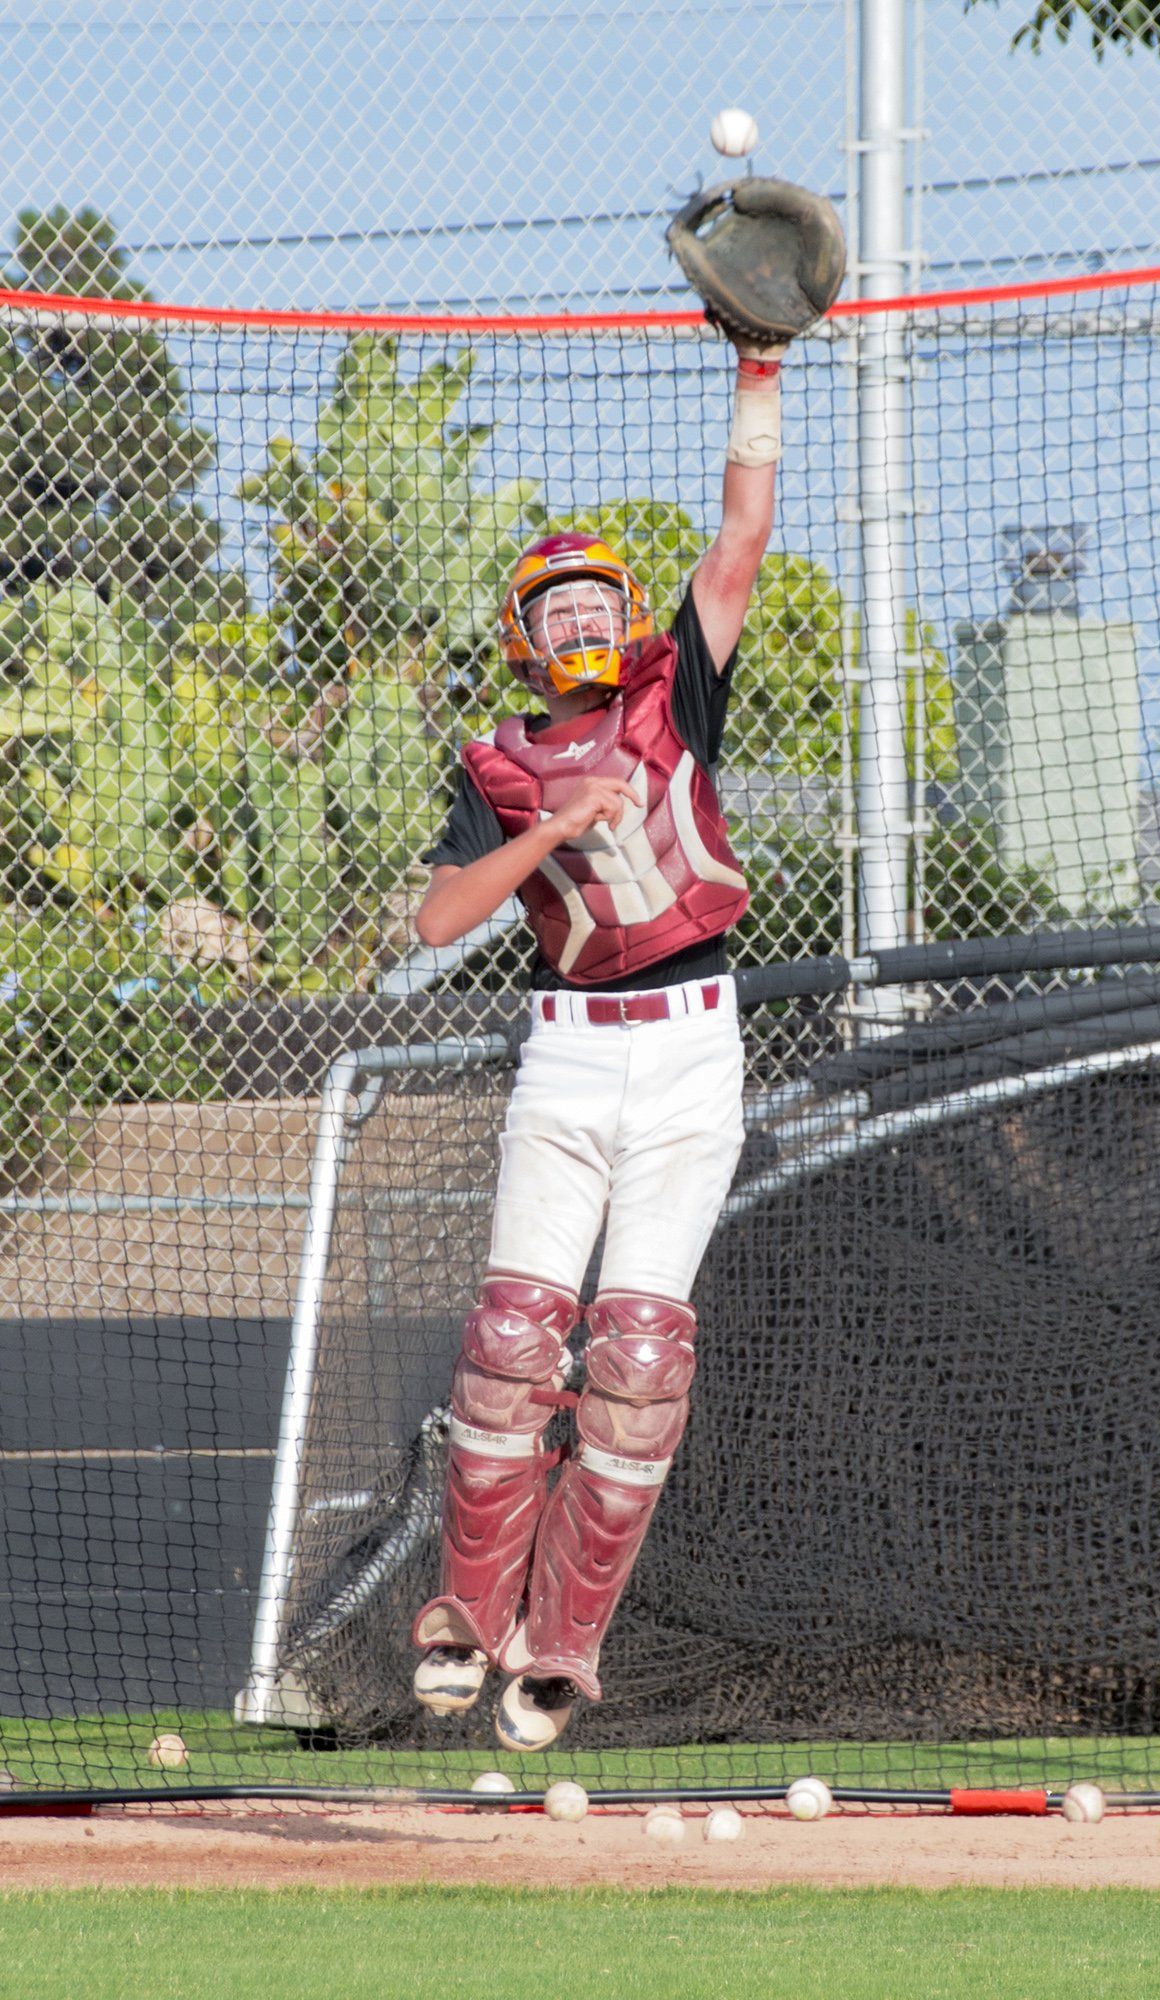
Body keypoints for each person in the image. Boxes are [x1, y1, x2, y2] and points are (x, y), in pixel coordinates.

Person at [406, 328, 786, 1754]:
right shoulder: (499, 763)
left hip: (689, 1044)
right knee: (514, 1338)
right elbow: (444, 921)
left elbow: (742, 535)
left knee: (633, 1359)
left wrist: (758, 375)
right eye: (554, 608)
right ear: (524, 632)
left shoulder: (673, 693)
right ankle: (465, 1614)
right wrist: (550, 832)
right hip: (567, 1045)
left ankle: (560, 1648)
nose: (581, 624)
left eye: (596, 602)